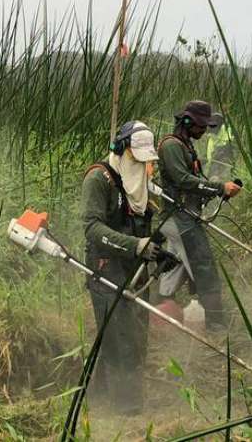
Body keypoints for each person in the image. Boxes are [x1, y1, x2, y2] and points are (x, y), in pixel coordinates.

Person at [81, 120, 162, 415]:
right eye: (136, 159)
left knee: (135, 333)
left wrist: (156, 248)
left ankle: (98, 394)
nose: (142, 166)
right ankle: (128, 410)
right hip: (106, 269)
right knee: (122, 338)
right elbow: (92, 228)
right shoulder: (99, 179)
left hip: (135, 268)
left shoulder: (138, 181)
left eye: (145, 161)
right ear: (122, 149)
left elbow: (140, 222)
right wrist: (134, 245)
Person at [156, 101, 241, 331]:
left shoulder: (186, 146)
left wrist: (218, 190)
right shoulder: (171, 146)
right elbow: (183, 181)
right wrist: (219, 187)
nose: (205, 131)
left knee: (174, 266)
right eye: (202, 126)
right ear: (187, 121)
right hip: (178, 218)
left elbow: (196, 183)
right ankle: (216, 326)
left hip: (186, 216)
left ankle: (159, 312)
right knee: (204, 268)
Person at [205, 112, 235, 180]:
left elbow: (229, 144)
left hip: (225, 156)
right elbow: (210, 155)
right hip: (214, 159)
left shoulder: (227, 130)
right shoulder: (211, 137)